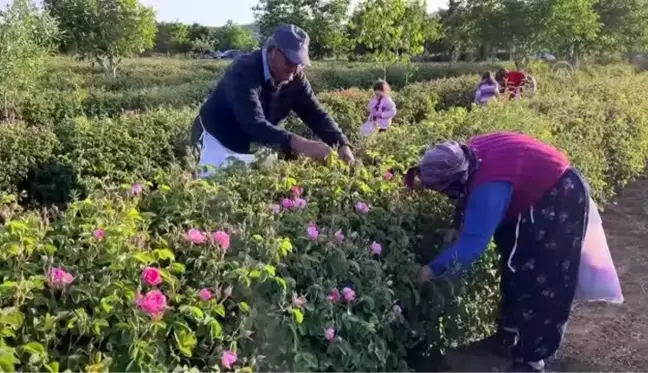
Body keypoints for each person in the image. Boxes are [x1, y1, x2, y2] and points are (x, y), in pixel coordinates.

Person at [405, 131, 595, 373]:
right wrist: (457, 223)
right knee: (513, 259)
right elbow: (467, 192)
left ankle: (531, 359)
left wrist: (430, 270)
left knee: (541, 276)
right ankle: (508, 335)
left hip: (559, 196)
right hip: (533, 196)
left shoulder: (490, 186)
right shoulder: (465, 157)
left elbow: (473, 246)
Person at [190, 24, 354, 176]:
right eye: (290, 61)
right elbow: (253, 123)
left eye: (300, 63)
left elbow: (315, 113)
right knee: (211, 192)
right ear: (273, 51)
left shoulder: (295, 76)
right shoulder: (244, 70)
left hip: (252, 144)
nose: (295, 69)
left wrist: (341, 143)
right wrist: (302, 145)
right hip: (217, 140)